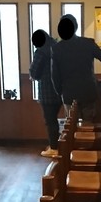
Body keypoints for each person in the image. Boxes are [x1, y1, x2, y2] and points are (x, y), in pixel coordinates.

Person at [51, 14, 101, 122]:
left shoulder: (56, 49)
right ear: (76, 27)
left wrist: (61, 92)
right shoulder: (88, 43)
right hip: (88, 92)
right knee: (88, 124)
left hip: (69, 94)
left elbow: (54, 75)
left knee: (71, 126)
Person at [29, 29, 62, 158]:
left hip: (47, 92)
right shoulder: (57, 47)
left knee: (50, 121)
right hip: (60, 91)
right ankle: (56, 145)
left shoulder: (41, 51)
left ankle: (54, 148)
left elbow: (34, 71)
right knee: (55, 120)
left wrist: (33, 76)